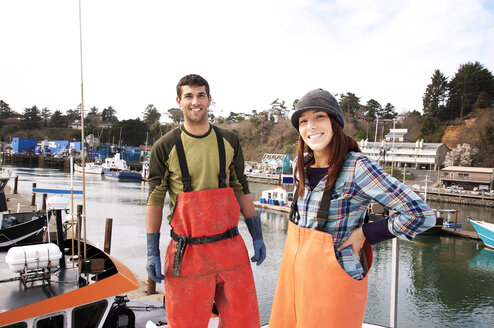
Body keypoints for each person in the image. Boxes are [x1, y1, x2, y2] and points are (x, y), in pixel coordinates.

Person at [269, 88, 435, 328]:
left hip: (334, 281)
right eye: (303, 121)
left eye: (319, 117)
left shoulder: (358, 167)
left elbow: (421, 214)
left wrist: (366, 234)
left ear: (335, 122)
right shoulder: (300, 166)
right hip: (294, 278)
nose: (310, 126)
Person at [145, 74, 266, 327]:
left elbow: (240, 186)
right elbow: (155, 198)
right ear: (179, 101)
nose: (195, 101)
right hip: (187, 253)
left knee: (244, 321)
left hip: (230, 247)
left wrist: (257, 234)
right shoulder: (164, 146)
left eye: (201, 95)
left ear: (210, 99)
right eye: (188, 96)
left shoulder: (229, 140)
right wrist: (151, 251)